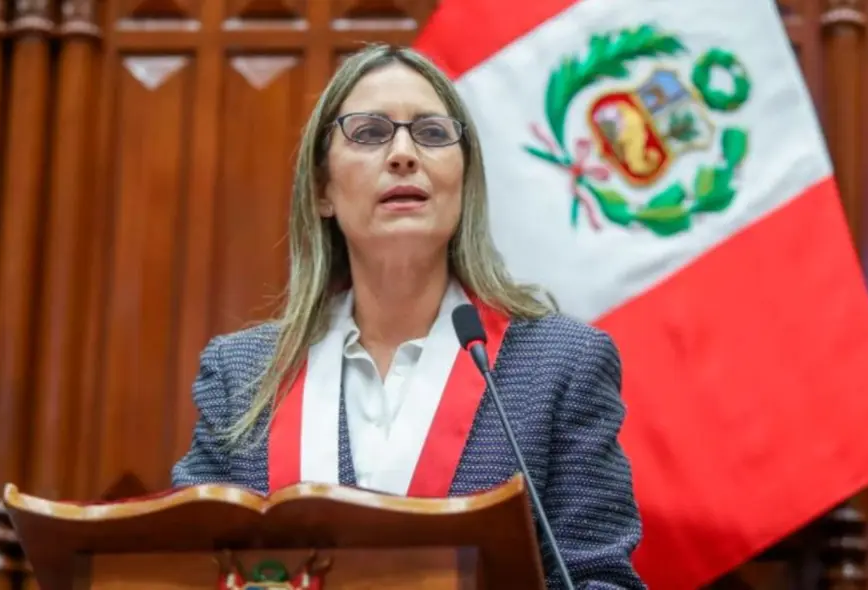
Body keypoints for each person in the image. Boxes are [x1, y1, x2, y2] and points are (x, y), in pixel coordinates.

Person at [171, 43, 646, 590]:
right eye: (369, 133)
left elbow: (598, 579)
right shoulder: (243, 373)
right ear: (323, 189)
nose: (402, 153)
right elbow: (183, 568)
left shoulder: (559, 365)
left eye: (432, 133)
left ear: (465, 185)